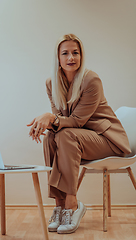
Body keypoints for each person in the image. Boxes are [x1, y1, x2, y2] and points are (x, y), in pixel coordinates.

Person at [27, 34, 131, 234]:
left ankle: (72, 203)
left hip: (106, 139)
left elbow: (77, 121)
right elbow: (59, 119)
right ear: (57, 57)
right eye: (65, 53)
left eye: (75, 52)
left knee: (65, 136)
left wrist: (49, 118)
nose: (71, 58)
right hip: (76, 140)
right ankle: (59, 205)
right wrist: (45, 123)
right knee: (50, 137)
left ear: (81, 55)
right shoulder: (52, 83)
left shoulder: (91, 79)